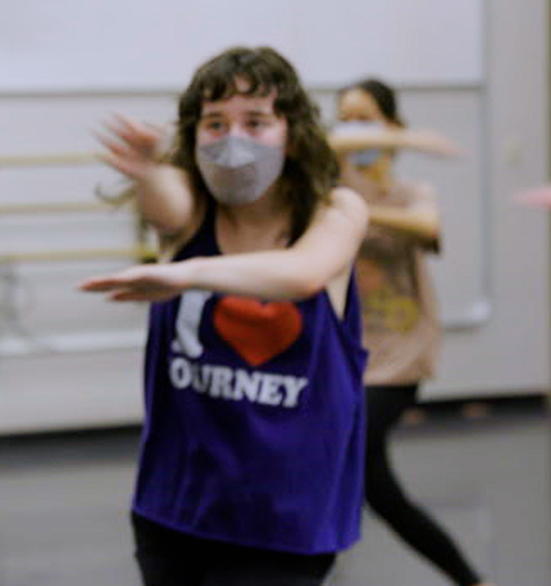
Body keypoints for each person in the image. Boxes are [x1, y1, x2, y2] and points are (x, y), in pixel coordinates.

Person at [84, 47, 370, 586]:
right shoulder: (190, 208)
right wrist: (148, 169)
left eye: (255, 122)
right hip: (179, 506)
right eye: (214, 124)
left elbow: (304, 273)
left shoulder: (336, 211)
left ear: (293, 132)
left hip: (285, 516)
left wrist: (189, 274)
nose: (232, 140)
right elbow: (166, 203)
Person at [332, 78, 490, 586]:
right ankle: (471, 579)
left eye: (366, 118)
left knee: (347, 454)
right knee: (379, 491)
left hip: (401, 354)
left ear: (392, 126)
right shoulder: (325, 184)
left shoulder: (411, 192)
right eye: (346, 117)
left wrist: (353, 210)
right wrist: (409, 140)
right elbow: (321, 146)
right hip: (345, 356)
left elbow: (426, 226)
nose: (354, 129)